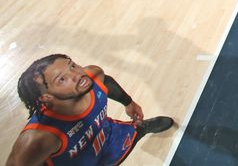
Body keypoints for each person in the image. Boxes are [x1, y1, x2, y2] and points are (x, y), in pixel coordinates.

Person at [5, 54, 173, 165]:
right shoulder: (39, 138)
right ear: (45, 97)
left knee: (136, 129)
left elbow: (105, 82)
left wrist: (128, 102)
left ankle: (142, 128)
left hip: (111, 138)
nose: (77, 75)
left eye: (72, 66)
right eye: (62, 79)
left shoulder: (92, 76)